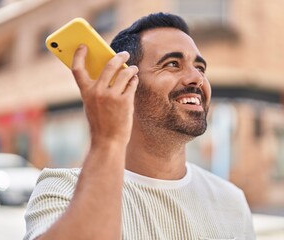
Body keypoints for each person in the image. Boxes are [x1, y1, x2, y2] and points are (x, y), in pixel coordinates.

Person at [24, 12, 256, 240]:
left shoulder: (232, 201)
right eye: (173, 64)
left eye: (200, 68)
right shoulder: (62, 191)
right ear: (123, 83)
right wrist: (107, 140)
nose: (197, 78)